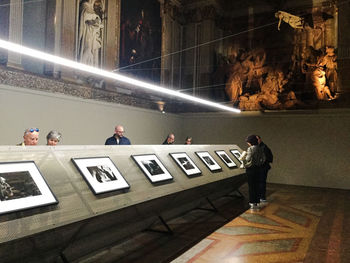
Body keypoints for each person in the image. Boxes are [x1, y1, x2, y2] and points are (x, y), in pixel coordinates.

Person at [241, 134, 266, 211]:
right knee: (257, 186)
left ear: (250, 142)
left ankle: (252, 203)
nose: (248, 143)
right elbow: (263, 158)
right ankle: (257, 202)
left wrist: (242, 158)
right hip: (258, 169)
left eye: (248, 142)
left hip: (251, 169)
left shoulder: (250, 149)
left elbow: (248, 159)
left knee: (251, 186)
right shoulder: (260, 148)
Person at [78, 0, 104, 67]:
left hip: (93, 34)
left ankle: (90, 67)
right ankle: (82, 66)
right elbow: (85, 15)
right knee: (87, 48)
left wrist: (97, 21)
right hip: (87, 32)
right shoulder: (85, 5)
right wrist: (95, 18)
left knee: (92, 52)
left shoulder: (92, 8)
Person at [257, 135, 273, 203]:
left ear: (260, 139)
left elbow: (267, 158)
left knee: (261, 182)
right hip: (262, 167)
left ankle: (262, 197)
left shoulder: (263, 147)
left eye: (257, 139)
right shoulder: (261, 147)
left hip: (263, 168)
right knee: (260, 182)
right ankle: (261, 196)